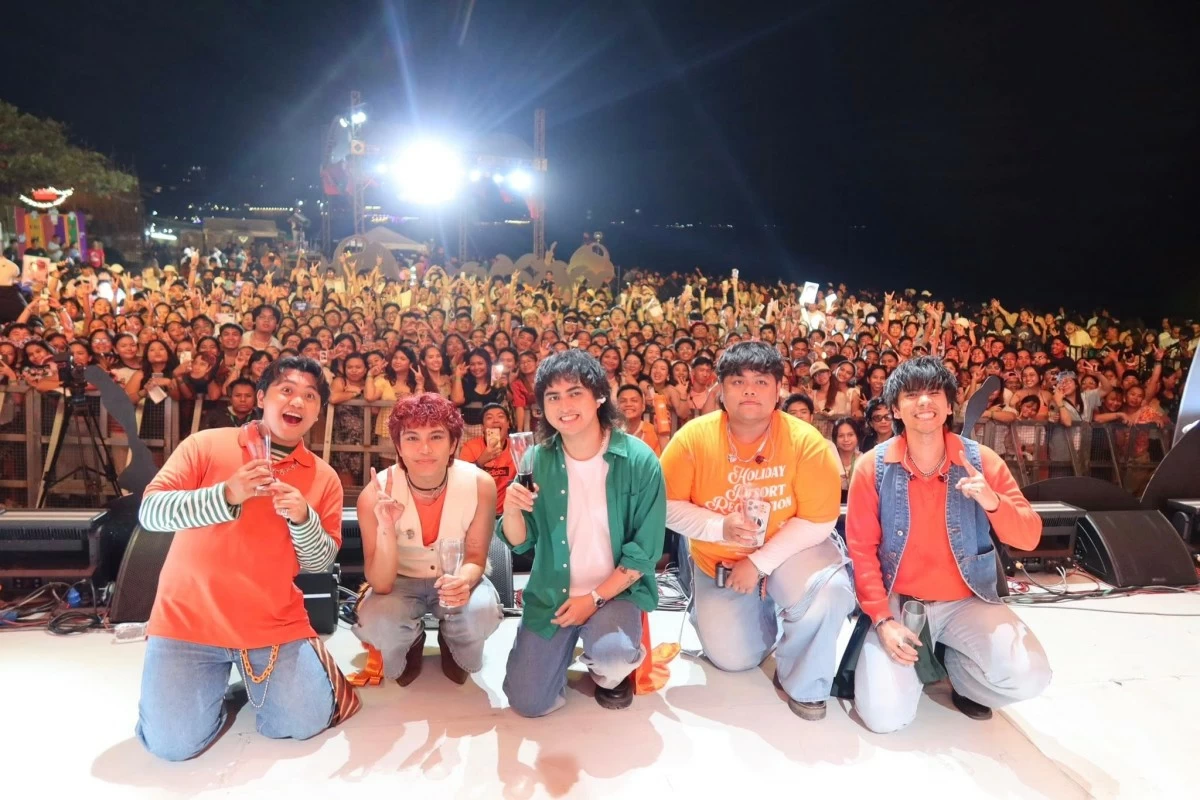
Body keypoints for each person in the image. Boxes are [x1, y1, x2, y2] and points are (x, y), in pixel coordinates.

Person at [134, 356, 358, 761]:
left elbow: (318, 563)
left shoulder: (323, 477)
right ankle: (210, 689)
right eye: (286, 390)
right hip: (188, 621)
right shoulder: (206, 444)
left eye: (310, 396)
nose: (298, 401)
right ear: (261, 398)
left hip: (271, 623)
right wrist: (226, 495)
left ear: (318, 412)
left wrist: (303, 518)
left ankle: (263, 679)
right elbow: (151, 513)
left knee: (303, 722)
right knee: (172, 746)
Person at [845, 356, 1050, 734]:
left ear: (950, 404)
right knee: (885, 718)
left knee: (1030, 675)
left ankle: (958, 673)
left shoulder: (980, 460)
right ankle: (907, 664)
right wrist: (883, 619)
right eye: (912, 395)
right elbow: (861, 550)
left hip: (966, 602)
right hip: (899, 602)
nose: (924, 402)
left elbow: (1029, 535)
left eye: (934, 393)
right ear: (895, 408)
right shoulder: (872, 467)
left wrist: (992, 502)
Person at [660, 341, 854, 721]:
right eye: (737, 381)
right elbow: (665, 507)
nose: (749, 390)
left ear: (779, 389)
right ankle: (737, 611)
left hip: (792, 549)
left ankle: (805, 681)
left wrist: (760, 563)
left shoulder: (807, 443)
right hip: (719, 560)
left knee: (827, 595)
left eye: (761, 381)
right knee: (735, 660)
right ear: (720, 390)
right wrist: (720, 527)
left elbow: (819, 520)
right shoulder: (692, 439)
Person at [499, 349, 666, 716]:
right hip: (553, 592)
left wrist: (593, 599)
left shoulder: (639, 460)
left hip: (616, 590)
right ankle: (560, 653)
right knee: (528, 703)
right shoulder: (535, 460)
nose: (565, 405)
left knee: (613, 657)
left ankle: (609, 669)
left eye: (575, 392)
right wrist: (511, 507)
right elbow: (518, 539)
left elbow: (645, 552)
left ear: (599, 396)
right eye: (553, 397)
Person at [353, 393, 503, 686]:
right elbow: (381, 583)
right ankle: (411, 641)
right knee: (376, 618)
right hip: (399, 582)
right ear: (398, 445)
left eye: (436, 436)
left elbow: (475, 558)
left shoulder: (479, 484)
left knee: (483, 610)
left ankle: (454, 644)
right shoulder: (374, 493)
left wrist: (463, 581)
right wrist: (385, 526)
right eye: (411, 438)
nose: (424, 449)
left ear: (453, 444)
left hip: (456, 577)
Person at [459, 403, 517, 513]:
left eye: (501, 416)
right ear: (483, 427)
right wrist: (480, 461)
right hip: (477, 513)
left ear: (508, 424)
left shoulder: (517, 448)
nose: (495, 421)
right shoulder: (470, 447)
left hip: (508, 513)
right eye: (489, 418)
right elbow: (461, 481)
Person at [616, 383, 662, 455]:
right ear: (617, 407)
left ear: (643, 407)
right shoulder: (610, 432)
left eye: (634, 400)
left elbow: (660, 462)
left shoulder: (653, 432)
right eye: (623, 401)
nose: (628, 404)